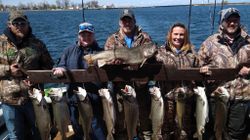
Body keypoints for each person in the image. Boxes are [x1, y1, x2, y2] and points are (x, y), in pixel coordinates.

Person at [0, 10, 54, 140]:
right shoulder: (1, 43)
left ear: (28, 24)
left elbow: (48, 67)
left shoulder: (37, 44)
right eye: (16, 23)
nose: (19, 26)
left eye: (22, 23)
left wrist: (36, 79)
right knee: (15, 136)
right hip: (9, 101)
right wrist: (8, 70)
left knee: (40, 132)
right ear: (9, 25)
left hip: (34, 100)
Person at [198, 7, 250, 140]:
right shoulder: (209, 43)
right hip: (217, 96)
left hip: (242, 97)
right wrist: (202, 70)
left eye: (235, 20)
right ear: (222, 22)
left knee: (236, 133)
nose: (232, 23)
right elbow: (198, 64)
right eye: (229, 20)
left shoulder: (248, 41)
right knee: (215, 132)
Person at [104, 9, 155, 139]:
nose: (127, 23)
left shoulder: (145, 37)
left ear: (134, 21)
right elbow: (106, 61)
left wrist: (146, 60)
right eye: (124, 20)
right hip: (121, 89)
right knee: (123, 124)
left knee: (145, 123)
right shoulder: (112, 39)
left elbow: (153, 56)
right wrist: (112, 63)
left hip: (141, 88)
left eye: (129, 20)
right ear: (120, 22)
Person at [52, 22, 105, 140]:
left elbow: (106, 71)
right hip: (74, 99)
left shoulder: (101, 52)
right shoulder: (68, 50)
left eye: (89, 34)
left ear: (94, 35)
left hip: (94, 100)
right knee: (77, 128)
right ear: (78, 36)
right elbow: (61, 64)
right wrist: (60, 69)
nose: (86, 37)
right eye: (83, 35)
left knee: (97, 128)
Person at [155, 22, 199, 139]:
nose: (178, 37)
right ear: (170, 35)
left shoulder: (193, 53)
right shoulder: (160, 52)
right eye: (175, 34)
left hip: (185, 100)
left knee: (184, 132)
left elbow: (200, 70)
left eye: (181, 35)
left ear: (186, 36)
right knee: (165, 132)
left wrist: (203, 70)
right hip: (166, 101)